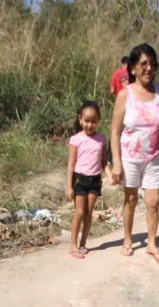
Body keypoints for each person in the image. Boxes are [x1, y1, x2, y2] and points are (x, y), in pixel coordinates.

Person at [110, 43, 159, 266]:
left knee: (153, 201)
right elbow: (115, 131)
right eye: (144, 63)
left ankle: (152, 244)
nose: (149, 68)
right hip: (130, 157)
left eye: (152, 64)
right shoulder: (125, 95)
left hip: (154, 156)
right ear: (133, 68)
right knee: (131, 199)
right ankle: (128, 239)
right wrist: (116, 162)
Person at [65, 101, 107, 259]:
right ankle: (73, 245)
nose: (90, 125)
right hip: (79, 180)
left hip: (95, 180)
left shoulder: (102, 139)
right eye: (87, 121)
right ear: (80, 119)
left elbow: (104, 162)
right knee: (80, 213)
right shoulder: (76, 139)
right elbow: (71, 164)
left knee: (89, 213)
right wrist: (69, 186)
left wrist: (111, 174)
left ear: (98, 121)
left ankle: (83, 243)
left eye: (93, 121)